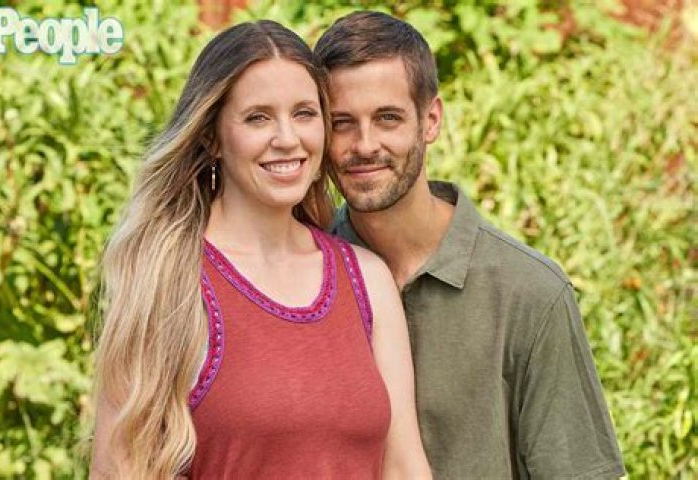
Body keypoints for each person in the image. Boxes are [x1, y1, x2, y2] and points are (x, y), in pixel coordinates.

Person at [90, 20, 431, 479]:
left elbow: (405, 466)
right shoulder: (169, 278)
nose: (287, 139)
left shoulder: (367, 279)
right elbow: (119, 468)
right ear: (212, 136)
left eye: (304, 113)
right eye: (258, 118)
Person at [315, 10, 626, 480]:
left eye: (388, 118)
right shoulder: (296, 278)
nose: (364, 144)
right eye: (341, 123)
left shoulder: (530, 293)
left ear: (431, 120)